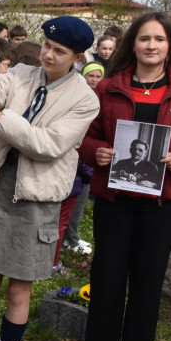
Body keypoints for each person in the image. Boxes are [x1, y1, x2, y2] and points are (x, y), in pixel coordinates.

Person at [0, 14, 100, 341]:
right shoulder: (24, 74)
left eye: (59, 51)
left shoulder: (85, 100)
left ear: (77, 57)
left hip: (38, 197)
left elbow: (47, 145)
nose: (48, 55)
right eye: (46, 46)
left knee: (19, 290)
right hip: (3, 185)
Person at [79, 11, 171, 341]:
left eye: (159, 39)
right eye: (144, 39)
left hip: (161, 205)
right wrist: (97, 152)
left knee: (147, 285)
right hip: (115, 201)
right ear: (131, 44)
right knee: (106, 280)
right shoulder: (109, 88)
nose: (151, 46)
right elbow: (86, 137)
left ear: (170, 46)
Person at [62, 62, 106, 255]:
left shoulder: (103, 98)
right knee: (72, 205)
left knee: (79, 205)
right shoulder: (78, 98)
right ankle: (70, 239)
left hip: (88, 164)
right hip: (79, 162)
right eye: (91, 76)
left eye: (98, 76)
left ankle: (72, 236)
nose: (94, 80)